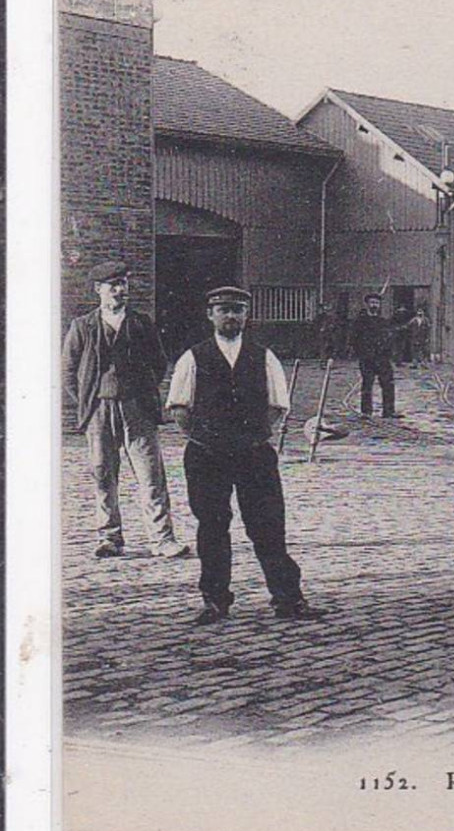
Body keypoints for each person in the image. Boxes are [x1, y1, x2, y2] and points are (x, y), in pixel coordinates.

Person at [165, 286, 325, 624]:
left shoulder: (263, 357)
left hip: (254, 456)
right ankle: (214, 601)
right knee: (212, 526)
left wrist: (252, 438)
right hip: (207, 455)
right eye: (223, 310)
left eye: (237, 310)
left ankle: (287, 599)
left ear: (246, 316)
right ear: (210, 315)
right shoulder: (193, 358)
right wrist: (208, 440)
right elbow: (180, 409)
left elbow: (277, 406)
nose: (231, 316)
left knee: (268, 527)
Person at [61, 260, 190, 560]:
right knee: (103, 474)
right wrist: (89, 401)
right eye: (113, 285)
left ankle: (162, 540)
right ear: (98, 290)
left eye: (123, 284)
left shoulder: (141, 323)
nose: (120, 290)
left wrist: (141, 393)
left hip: (137, 410)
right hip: (99, 411)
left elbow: (159, 363)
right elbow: (68, 371)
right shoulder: (83, 326)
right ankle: (110, 538)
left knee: (151, 475)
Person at [349, 292, 398, 418]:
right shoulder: (360, 322)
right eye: (372, 302)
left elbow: (390, 338)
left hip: (382, 359)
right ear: (367, 304)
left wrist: (388, 353)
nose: (374, 305)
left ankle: (389, 411)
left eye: (376, 303)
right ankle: (366, 412)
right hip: (367, 359)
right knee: (367, 385)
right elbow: (354, 339)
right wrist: (362, 354)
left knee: (388, 384)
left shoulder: (384, 322)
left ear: (380, 305)